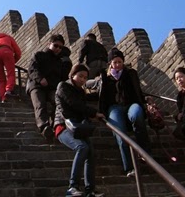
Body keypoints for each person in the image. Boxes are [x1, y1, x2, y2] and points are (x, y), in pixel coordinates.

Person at [54, 63, 106, 197]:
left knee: (90, 153)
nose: (83, 80)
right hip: (63, 126)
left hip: (78, 128)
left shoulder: (81, 92)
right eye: (80, 76)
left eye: (85, 77)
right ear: (72, 75)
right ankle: (72, 187)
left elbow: (82, 109)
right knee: (82, 147)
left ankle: (90, 190)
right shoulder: (63, 86)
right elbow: (75, 105)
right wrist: (94, 113)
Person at [98, 48, 151, 178]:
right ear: (110, 63)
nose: (117, 65)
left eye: (120, 62)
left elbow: (137, 90)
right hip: (114, 107)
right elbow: (100, 93)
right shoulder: (105, 76)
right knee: (120, 134)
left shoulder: (130, 73)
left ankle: (145, 153)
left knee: (137, 114)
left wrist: (145, 101)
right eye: (115, 62)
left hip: (131, 104)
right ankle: (129, 167)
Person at [26, 34, 66, 142]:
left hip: (52, 88)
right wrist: (40, 78)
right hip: (36, 85)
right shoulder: (39, 55)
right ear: (49, 44)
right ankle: (44, 127)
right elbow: (32, 69)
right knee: (40, 104)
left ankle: (55, 126)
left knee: (59, 103)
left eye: (60, 47)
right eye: (56, 45)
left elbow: (62, 78)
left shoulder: (59, 62)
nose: (58, 49)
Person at [0, 32, 22, 102]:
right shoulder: (8, 38)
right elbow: (18, 52)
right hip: (6, 51)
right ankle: (9, 90)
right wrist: (13, 61)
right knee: (11, 74)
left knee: (1, 79)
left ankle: (3, 98)